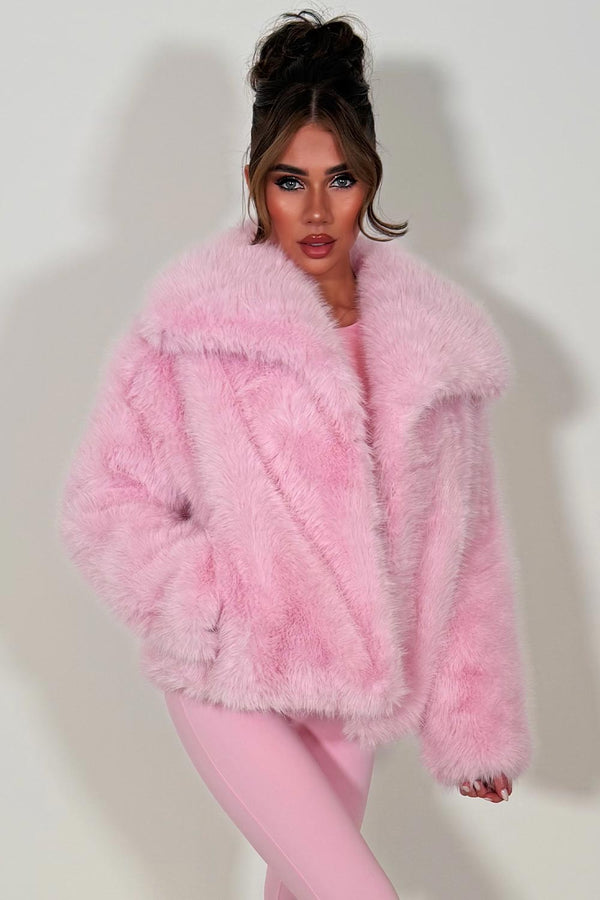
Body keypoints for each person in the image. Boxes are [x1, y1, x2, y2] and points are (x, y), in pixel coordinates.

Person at [57, 9, 534, 899]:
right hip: (230, 679)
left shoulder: (438, 356)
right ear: (255, 184)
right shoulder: (195, 329)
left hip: (355, 695)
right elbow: (105, 500)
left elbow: (466, 553)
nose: (316, 211)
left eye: (340, 178)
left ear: (370, 181)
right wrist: (208, 599)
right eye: (289, 181)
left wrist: (471, 723)